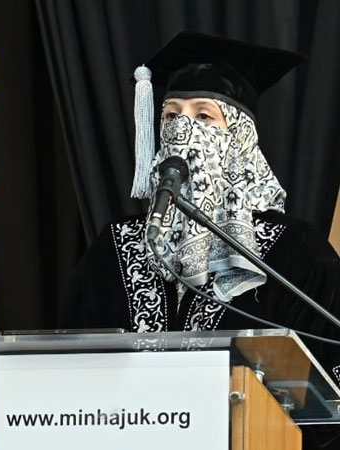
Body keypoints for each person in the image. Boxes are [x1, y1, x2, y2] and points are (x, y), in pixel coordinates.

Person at [63, 32, 340, 450]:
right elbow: (69, 372)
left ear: (240, 139)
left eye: (204, 116)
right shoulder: (115, 246)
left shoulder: (293, 253)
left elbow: (323, 404)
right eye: (171, 116)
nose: (183, 130)